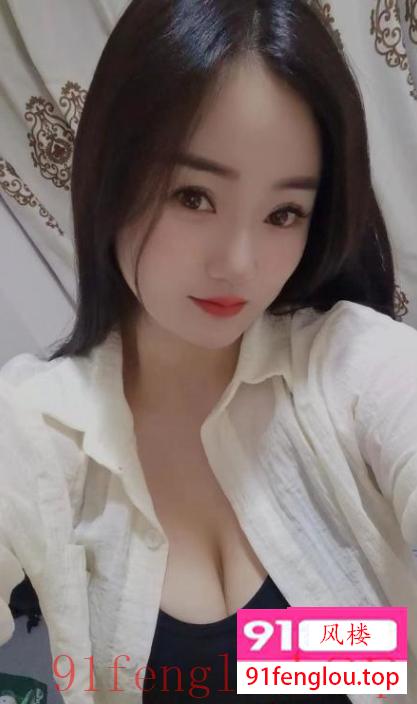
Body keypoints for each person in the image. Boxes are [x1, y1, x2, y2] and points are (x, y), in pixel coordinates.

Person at [0, 0, 416, 702]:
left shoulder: (347, 366)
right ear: (110, 174)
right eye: (192, 196)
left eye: (283, 212)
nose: (239, 263)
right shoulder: (34, 428)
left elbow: (336, 663)